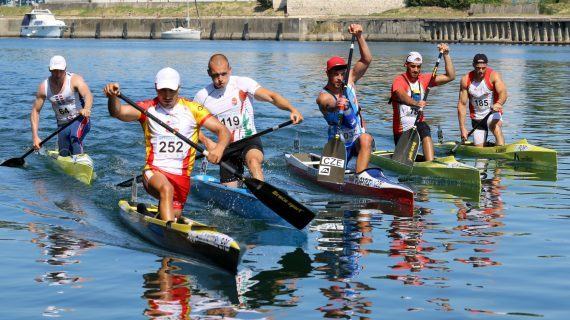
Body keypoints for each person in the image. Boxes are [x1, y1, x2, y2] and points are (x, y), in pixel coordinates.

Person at [104, 67, 230, 223]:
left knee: (174, 213)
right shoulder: (147, 108)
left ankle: (160, 217)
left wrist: (219, 148)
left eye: (171, 90)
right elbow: (117, 112)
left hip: (182, 178)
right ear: (156, 87)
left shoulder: (193, 109)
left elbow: (222, 130)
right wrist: (112, 97)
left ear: (179, 87)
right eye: (163, 90)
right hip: (154, 172)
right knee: (166, 189)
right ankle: (170, 232)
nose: (167, 95)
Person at [194, 54, 303, 187]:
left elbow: (271, 97)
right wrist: (207, 142)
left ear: (230, 70)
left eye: (224, 74)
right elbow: (191, 125)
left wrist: (292, 109)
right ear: (208, 73)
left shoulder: (242, 83)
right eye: (215, 75)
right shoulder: (202, 96)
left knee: (253, 162)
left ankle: (262, 194)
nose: (220, 79)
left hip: (249, 139)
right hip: (226, 147)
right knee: (230, 190)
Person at [316, 23, 373, 173]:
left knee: (366, 138)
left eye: (342, 73)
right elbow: (328, 104)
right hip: (338, 144)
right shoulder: (323, 96)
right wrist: (337, 104)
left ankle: (360, 178)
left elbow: (366, 59)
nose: (340, 78)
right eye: (335, 74)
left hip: (357, 139)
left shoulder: (350, 80)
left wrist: (359, 36)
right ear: (327, 73)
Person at [390, 44, 455, 161]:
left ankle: (430, 162)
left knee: (425, 128)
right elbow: (400, 95)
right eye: (413, 66)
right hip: (402, 129)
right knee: (403, 158)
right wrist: (415, 103)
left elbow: (450, 76)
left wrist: (446, 54)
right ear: (406, 65)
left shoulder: (424, 79)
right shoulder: (399, 80)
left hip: (418, 124)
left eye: (418, 67)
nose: (416, 70)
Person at [31, 55, 93, 156]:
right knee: (64, 153)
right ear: (49, 70)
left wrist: (86, 108)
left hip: (80, 119)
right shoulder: (44, 87)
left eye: (61, 70)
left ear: (65, 68)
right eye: (55, 70)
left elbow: (88, 95)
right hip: (62, 125)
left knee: (75, 137)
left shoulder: (75, 80)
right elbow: (35, 111)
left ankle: (80, 160)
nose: (58, 74)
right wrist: (35, 137)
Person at [457, 54, 507, 147]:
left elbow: (503, 93)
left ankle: (501, 149)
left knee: (494, 125)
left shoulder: (494, 76)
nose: (481, 71)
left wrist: (499, 103)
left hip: (493, 113)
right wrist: (462, 128)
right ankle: (487, 146)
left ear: (486, 66)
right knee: (479, 148)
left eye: (483, 68)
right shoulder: (465, 80)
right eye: (478, 68)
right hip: (477, 119)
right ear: (473, 65)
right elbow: (462, 104)